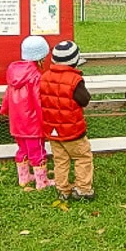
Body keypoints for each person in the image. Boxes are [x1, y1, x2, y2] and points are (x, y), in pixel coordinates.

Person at [40, 40, 94, 201]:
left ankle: (62, 189)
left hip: (52, 129)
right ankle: (83, 189)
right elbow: (84, 100)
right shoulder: (75, 80)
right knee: (82, 157)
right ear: (75, 61)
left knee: (60, 159)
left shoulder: (44, 77)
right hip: (72, 131)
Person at [0, 35, 54, 190]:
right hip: (32, 123)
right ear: (41, 56)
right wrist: (46, 118)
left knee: (22, 149)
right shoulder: (36, 76)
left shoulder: (14, 73)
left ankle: (24, 178)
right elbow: (38, 101)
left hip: (17, 121)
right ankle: (41, 182)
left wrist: (5, 110)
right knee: (37, 151)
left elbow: (7, 94)